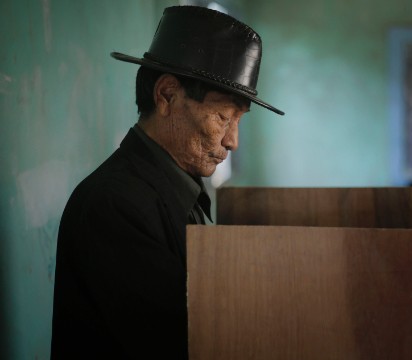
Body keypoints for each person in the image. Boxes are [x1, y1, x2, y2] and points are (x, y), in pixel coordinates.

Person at [50, 6, 284, 359]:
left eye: (238, 120)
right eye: (223, 117)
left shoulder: (180, 184)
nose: (233, 141)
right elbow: (185, 342)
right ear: (167, 96)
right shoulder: (113, 205)